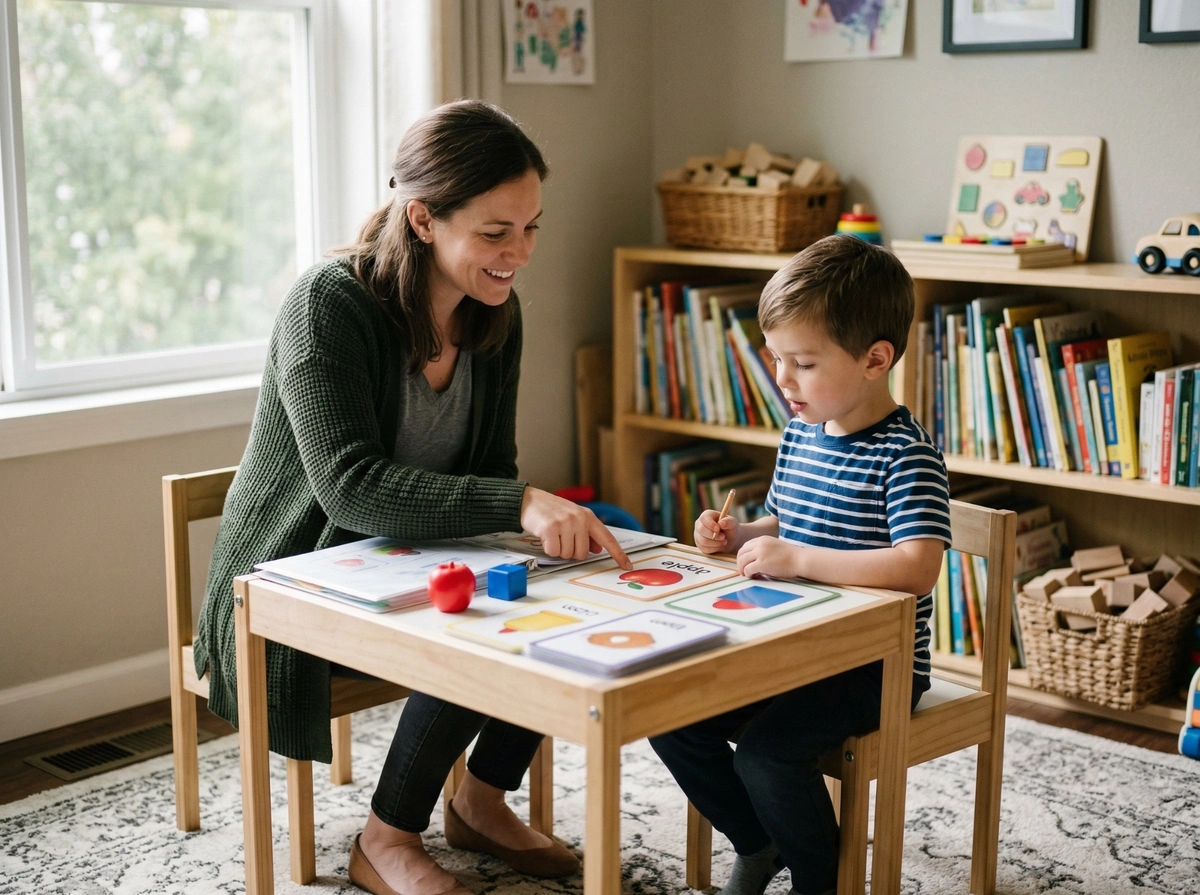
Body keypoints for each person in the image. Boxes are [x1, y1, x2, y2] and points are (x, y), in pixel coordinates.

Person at [193, 99, 632, 895]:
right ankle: (387, 838)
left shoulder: (496, 310)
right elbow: (349, 486)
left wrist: (532, 512)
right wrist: (521, 502)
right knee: (471, 625)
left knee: (585, 564)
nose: (519, 254)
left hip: (415, 553)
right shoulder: (329, 304)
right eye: (496, 232)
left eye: (531, 227)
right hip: (300, 568)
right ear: (424, 218)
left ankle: (480, 797)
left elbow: (493, 463)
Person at [649, 235, 951, 895]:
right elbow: (782, 525)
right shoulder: (801, 432)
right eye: (777, 358)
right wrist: (737, 535)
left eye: (804, 362)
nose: (783, 380)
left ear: (876, 359)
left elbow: (917, 567)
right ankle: (758, 844)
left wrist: (800, 560)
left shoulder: (907, 456)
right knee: (668, 714)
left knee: (766, 752)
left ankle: (823, 879)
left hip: (872, 666)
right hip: (791, 648)